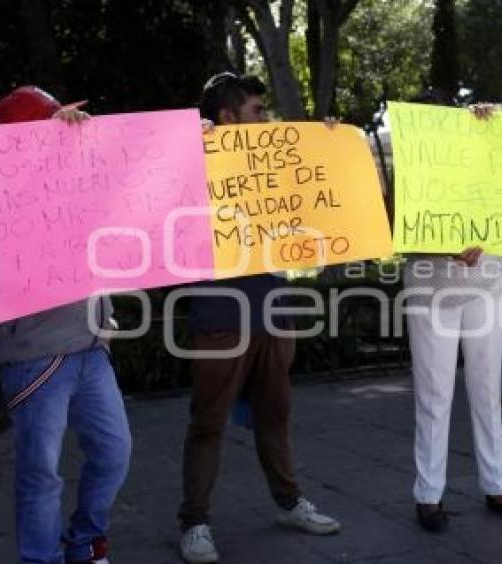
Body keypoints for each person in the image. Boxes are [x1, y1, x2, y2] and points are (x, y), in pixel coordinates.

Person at [177, 72, 340, 564]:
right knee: (208, 423)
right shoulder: (190, 160)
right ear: (227, 117)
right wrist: (192, 149)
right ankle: (195, 523)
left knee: (276, 415)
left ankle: (289, 502)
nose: (266, 118)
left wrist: (329, 143)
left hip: (273, 306)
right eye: (257, 110)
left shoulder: (272, 158)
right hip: (219, 313)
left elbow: (317, 191)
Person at [0, 86, 132, 564]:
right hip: (36, 358)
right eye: (50, 122)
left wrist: (200, 143)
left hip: (89, 347)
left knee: (113, 453)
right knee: (41, 476)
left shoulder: (71, 177)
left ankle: (85, 542)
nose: (64, 127)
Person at [403, 92, 502, 533]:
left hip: (488, 284)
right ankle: (428, 494)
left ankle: (497, 485)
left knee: (487, 389)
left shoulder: (485, 150)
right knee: (434, 393)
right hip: (431, 285)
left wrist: (495, 129)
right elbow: (395, 225)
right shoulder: (409, 164)